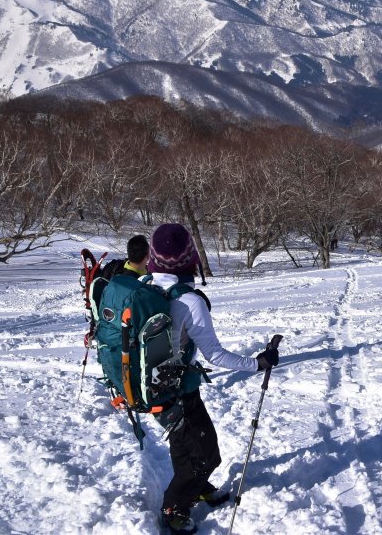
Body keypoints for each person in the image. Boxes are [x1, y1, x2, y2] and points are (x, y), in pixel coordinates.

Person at [146, 223, 281, 535]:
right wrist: (257, 364)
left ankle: (196, 485)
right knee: (208, 455)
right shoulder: (189, 301)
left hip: (154, 388)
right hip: (178, 389)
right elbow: (214, 355)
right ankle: (174, 507)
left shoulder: (146, 287)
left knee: (184, 444)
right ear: (190, 259)